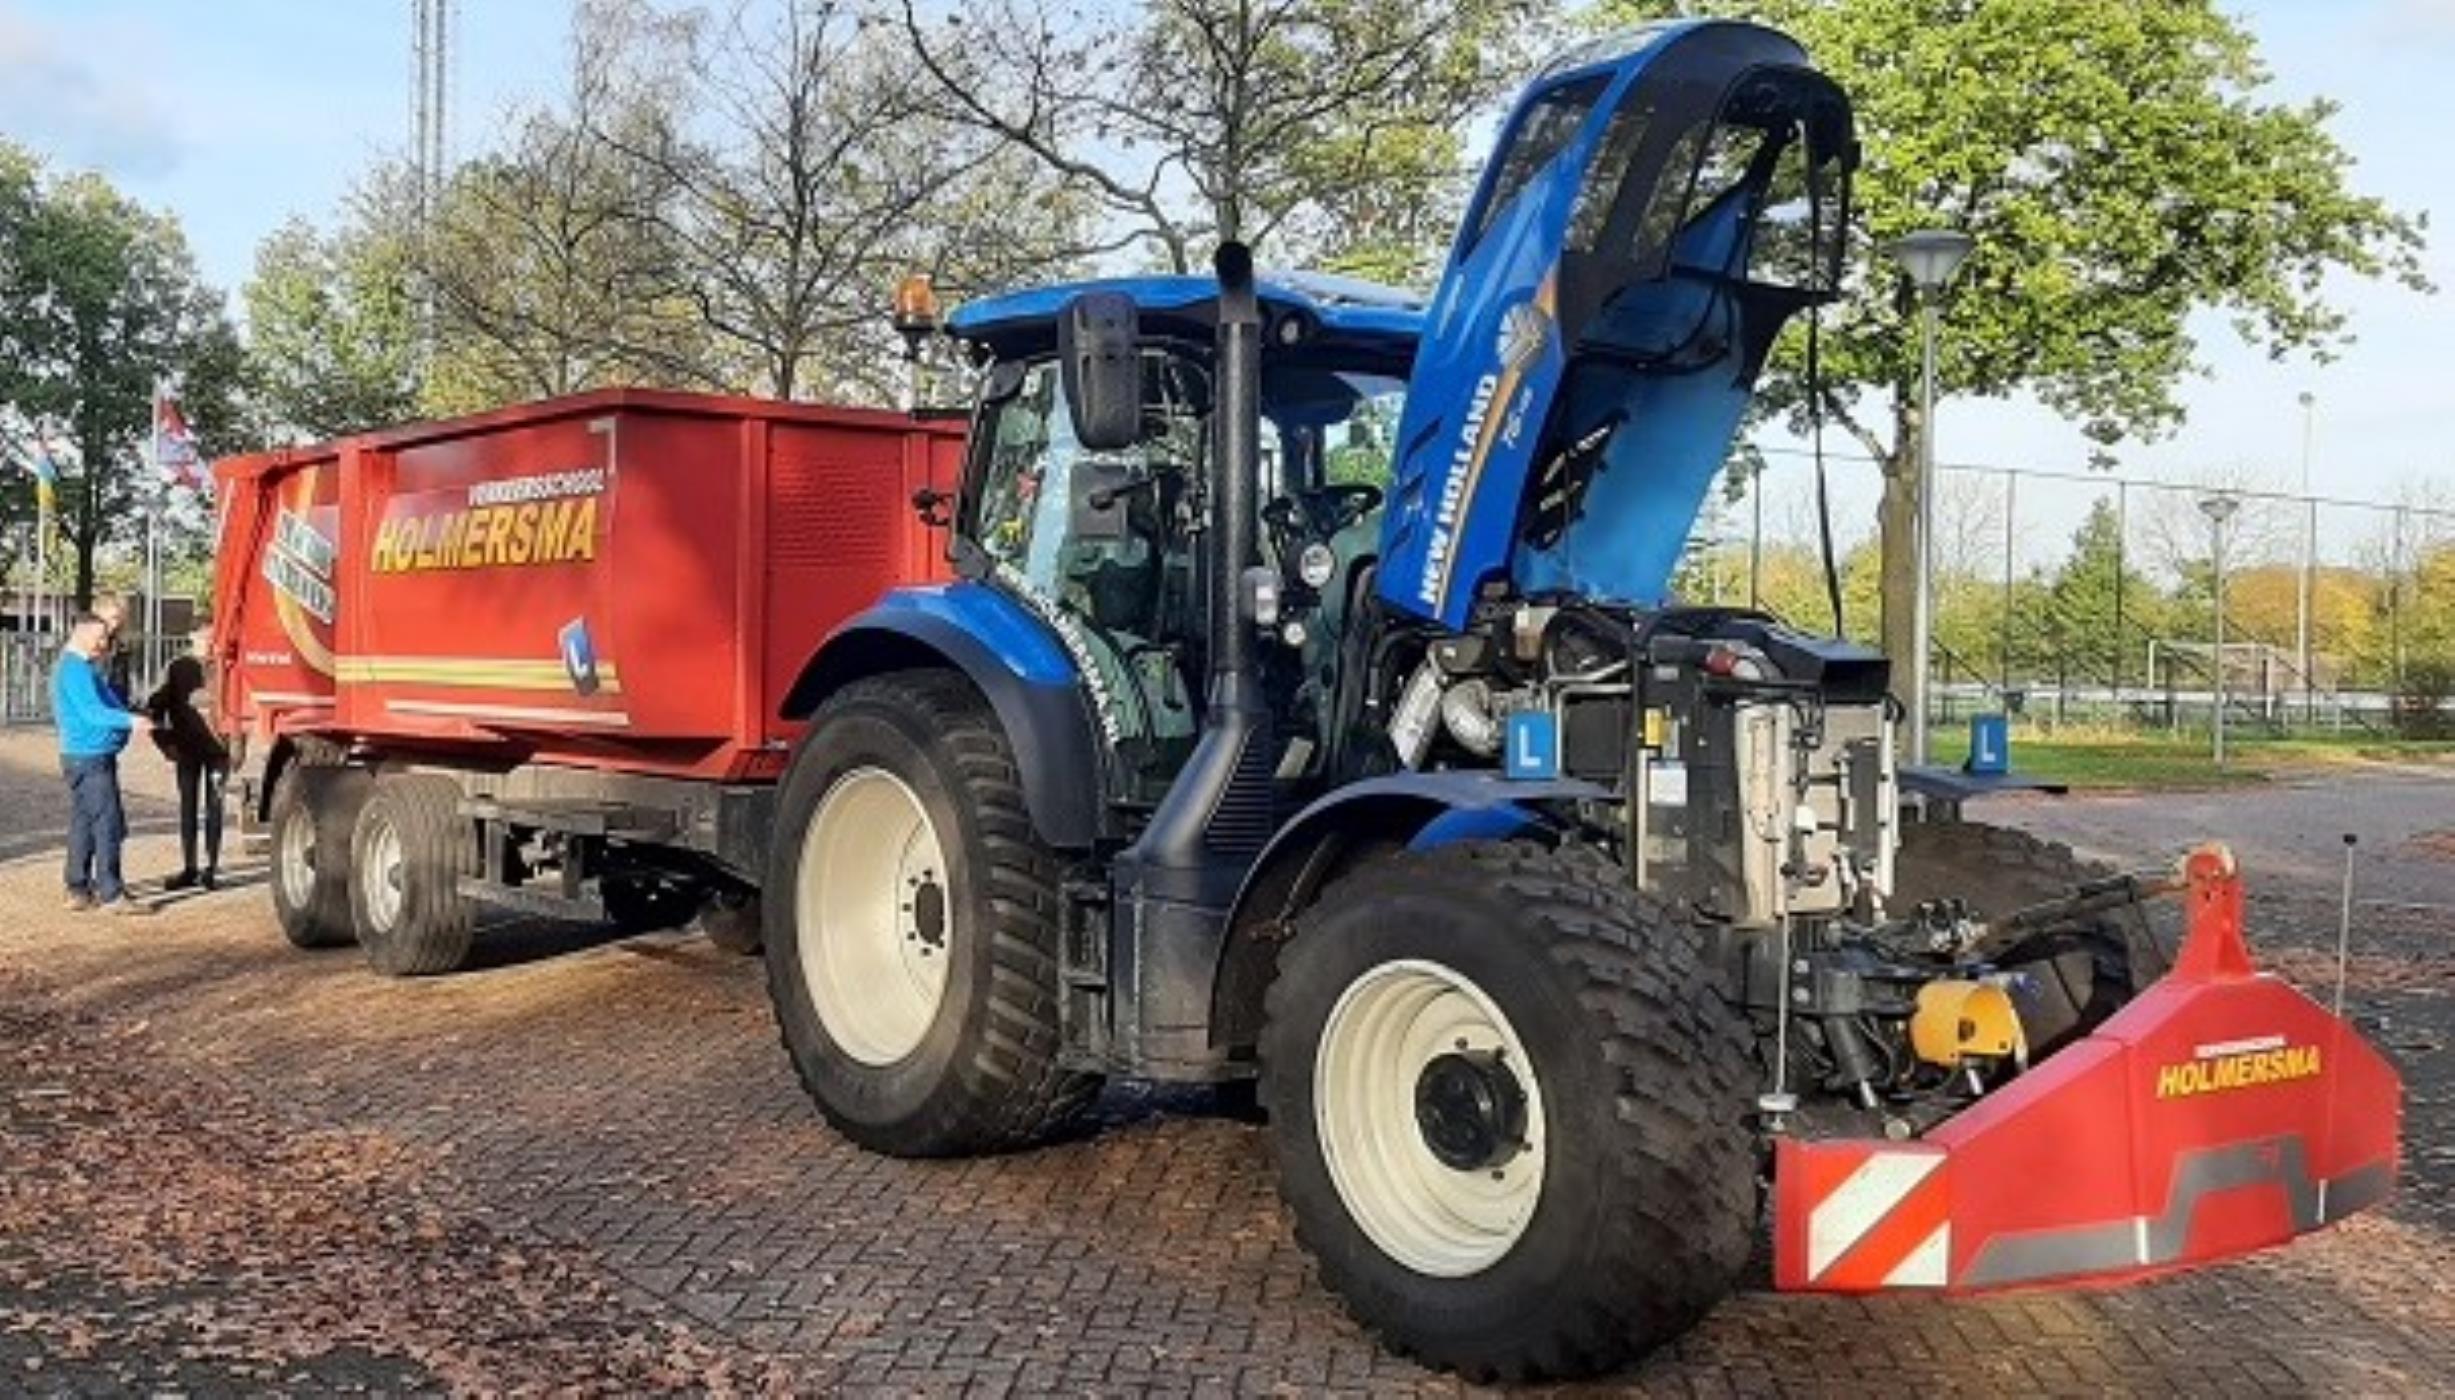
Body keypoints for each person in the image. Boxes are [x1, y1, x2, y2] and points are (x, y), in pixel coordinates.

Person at [52, 615, 148, 915]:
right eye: (99, 638)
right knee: (108, 822)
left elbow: (106, 703)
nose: (103, 645)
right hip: (90, 755)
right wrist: (130, 721)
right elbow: (93, 711)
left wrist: (129, 714)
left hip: (84, 755)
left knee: (85, 821)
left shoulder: (79, 667)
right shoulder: (76, 669)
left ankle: (77, 886)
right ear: (81, 634)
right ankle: (111, 892)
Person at [145, 628, 228, 890]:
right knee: (187, 809)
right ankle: (190, 867)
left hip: (219, 751)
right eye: (204, 636)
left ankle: (210, 868)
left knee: (215, 808)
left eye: (213, 636)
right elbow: (156, 706)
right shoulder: (177, 667)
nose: (208, 642)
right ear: (192, 637)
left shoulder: (226, 666)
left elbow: (239, 708)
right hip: (187, 749)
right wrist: (165, 742)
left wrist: (237, 746)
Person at [91, 595, 135, 705]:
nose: (116, 624)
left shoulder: (120, 647)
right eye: (113, 617)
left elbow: (122, 685)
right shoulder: (87, 648)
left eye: (120, 618)